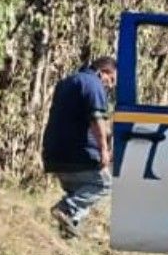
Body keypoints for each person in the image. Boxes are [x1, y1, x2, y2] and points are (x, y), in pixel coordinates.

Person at [42, 56, 118, 238]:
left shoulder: (67, 82)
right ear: (103, 72)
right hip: (77, 154)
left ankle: (67, 237)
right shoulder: (93, 84)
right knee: (103, 184)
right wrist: (104, 151)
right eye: (112, 80)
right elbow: (96, 120)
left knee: (80, 194)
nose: (111, 86)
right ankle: (64, 208)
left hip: (54, 154)